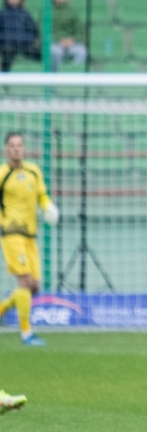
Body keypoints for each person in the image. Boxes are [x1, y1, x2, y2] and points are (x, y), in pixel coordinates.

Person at [0, 133, 59, 345]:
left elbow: (42, 195)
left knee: (34, 286)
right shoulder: (2, 174)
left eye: (19, 145)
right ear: (6, 149)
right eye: (12, 145)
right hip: (11, 233)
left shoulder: (34, 171)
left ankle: (2, 309)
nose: (16, 149)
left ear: (24, 148)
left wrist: (48, 206)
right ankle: (26, 333)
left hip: (30, 236)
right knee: (24, 281)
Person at [0, 0, 41, 73]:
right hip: (7, 44)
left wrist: (28, 39)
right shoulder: (2, 14)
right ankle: (5, 77)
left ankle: (47, 75)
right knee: (7, 52)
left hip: (24, 44)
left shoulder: (25, 13)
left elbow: (33, 30)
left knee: (41, 54)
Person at [50, 0, 86, 72]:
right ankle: (56, 75)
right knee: (55, 52)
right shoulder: (47, 11)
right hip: (54, 43)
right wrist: (59, 40)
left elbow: (79, 31)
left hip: (71, 43)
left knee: (81, 52)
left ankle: (75, 75)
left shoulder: (72, 11)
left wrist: (72, 40)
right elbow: (43, 31)